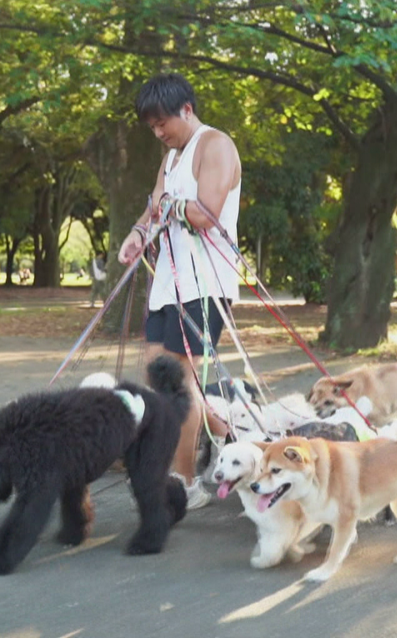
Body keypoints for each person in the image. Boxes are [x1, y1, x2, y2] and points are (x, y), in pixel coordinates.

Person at [117, 73, 241, 510]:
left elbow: (205, 212)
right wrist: (137, 233)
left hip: (205, 284)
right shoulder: (170, 159)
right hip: (168, 284)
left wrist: (168, 208)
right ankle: (226, 427)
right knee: (160, 379)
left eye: (162, 122)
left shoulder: (216, 145)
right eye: (151, 126)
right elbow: (155, 208)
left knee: (179, 386)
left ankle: (185, 482)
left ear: (186, 109)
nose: (158, 132)